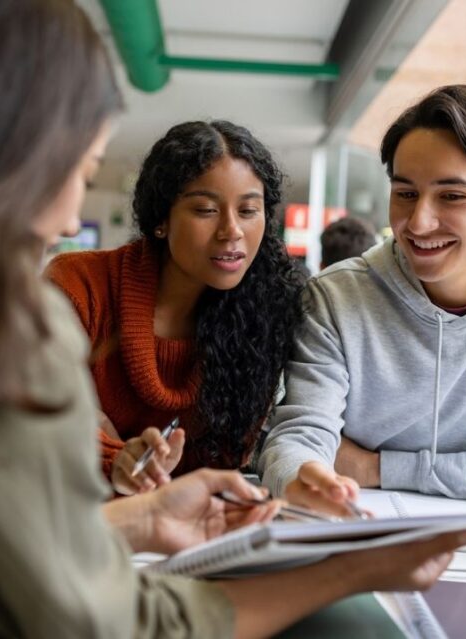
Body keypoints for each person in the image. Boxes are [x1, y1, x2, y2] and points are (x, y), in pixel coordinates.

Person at [0, 1, 466, 637]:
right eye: (81, 166)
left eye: (250, 209)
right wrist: (353, 570)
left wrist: (138, 516)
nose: (73, 212)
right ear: (12, 153)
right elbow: (107, 621)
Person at [260, 85, 466, 513]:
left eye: (451, 196)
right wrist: (301, 474)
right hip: (362, 528)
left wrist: (377, 468)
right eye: (405, 193)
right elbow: (299, 439)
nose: (417, 222)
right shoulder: (336, 297)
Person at [45, 120, 304, 495]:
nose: (232, 230)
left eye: (248, 211)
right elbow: (37, 419)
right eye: (205, 210)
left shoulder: (263, 315)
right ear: (161, 220)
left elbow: (223, 464)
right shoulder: (78, 287)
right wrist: (113, 456)